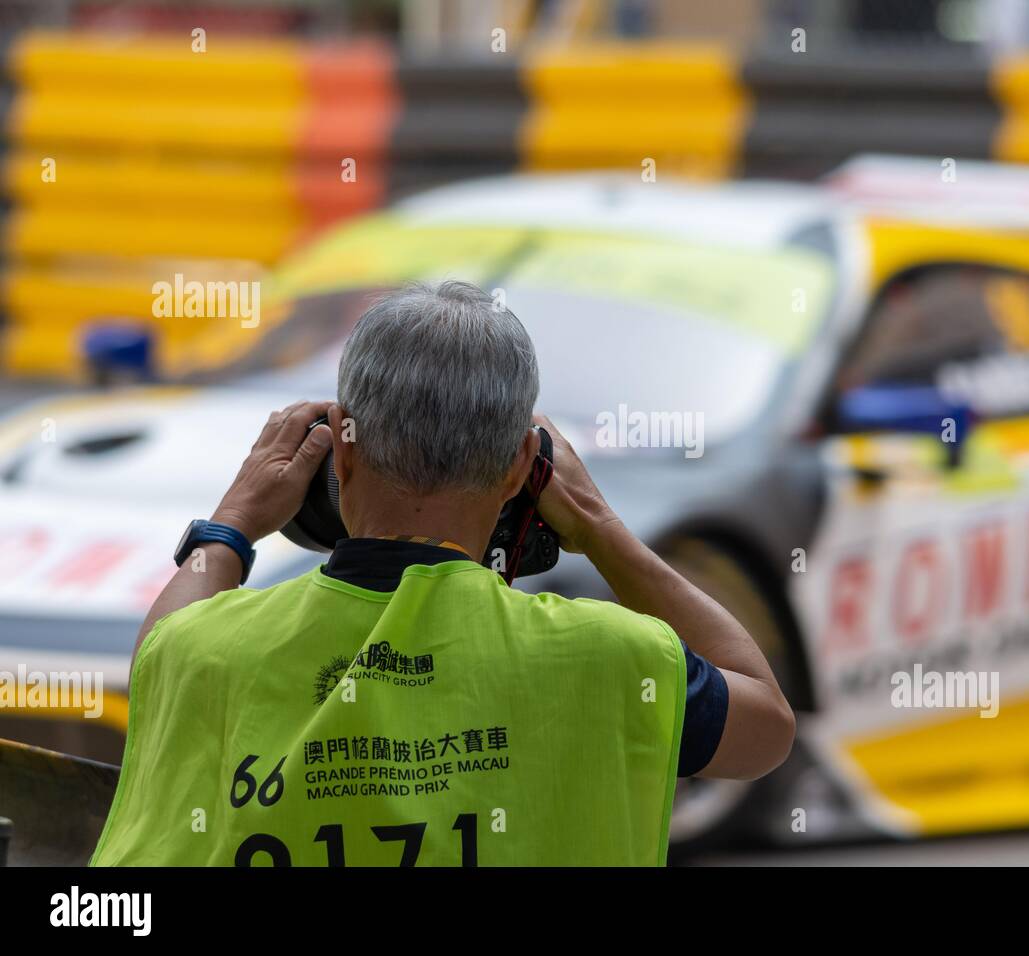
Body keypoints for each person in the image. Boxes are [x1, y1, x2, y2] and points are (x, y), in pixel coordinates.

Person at [91, 280, 795, 866]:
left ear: (341, 452)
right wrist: (601, 529)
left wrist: (234, 521)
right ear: (522, 466)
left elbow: (161, 654)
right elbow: (767, 724)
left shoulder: (208, 654)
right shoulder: (607, 660)